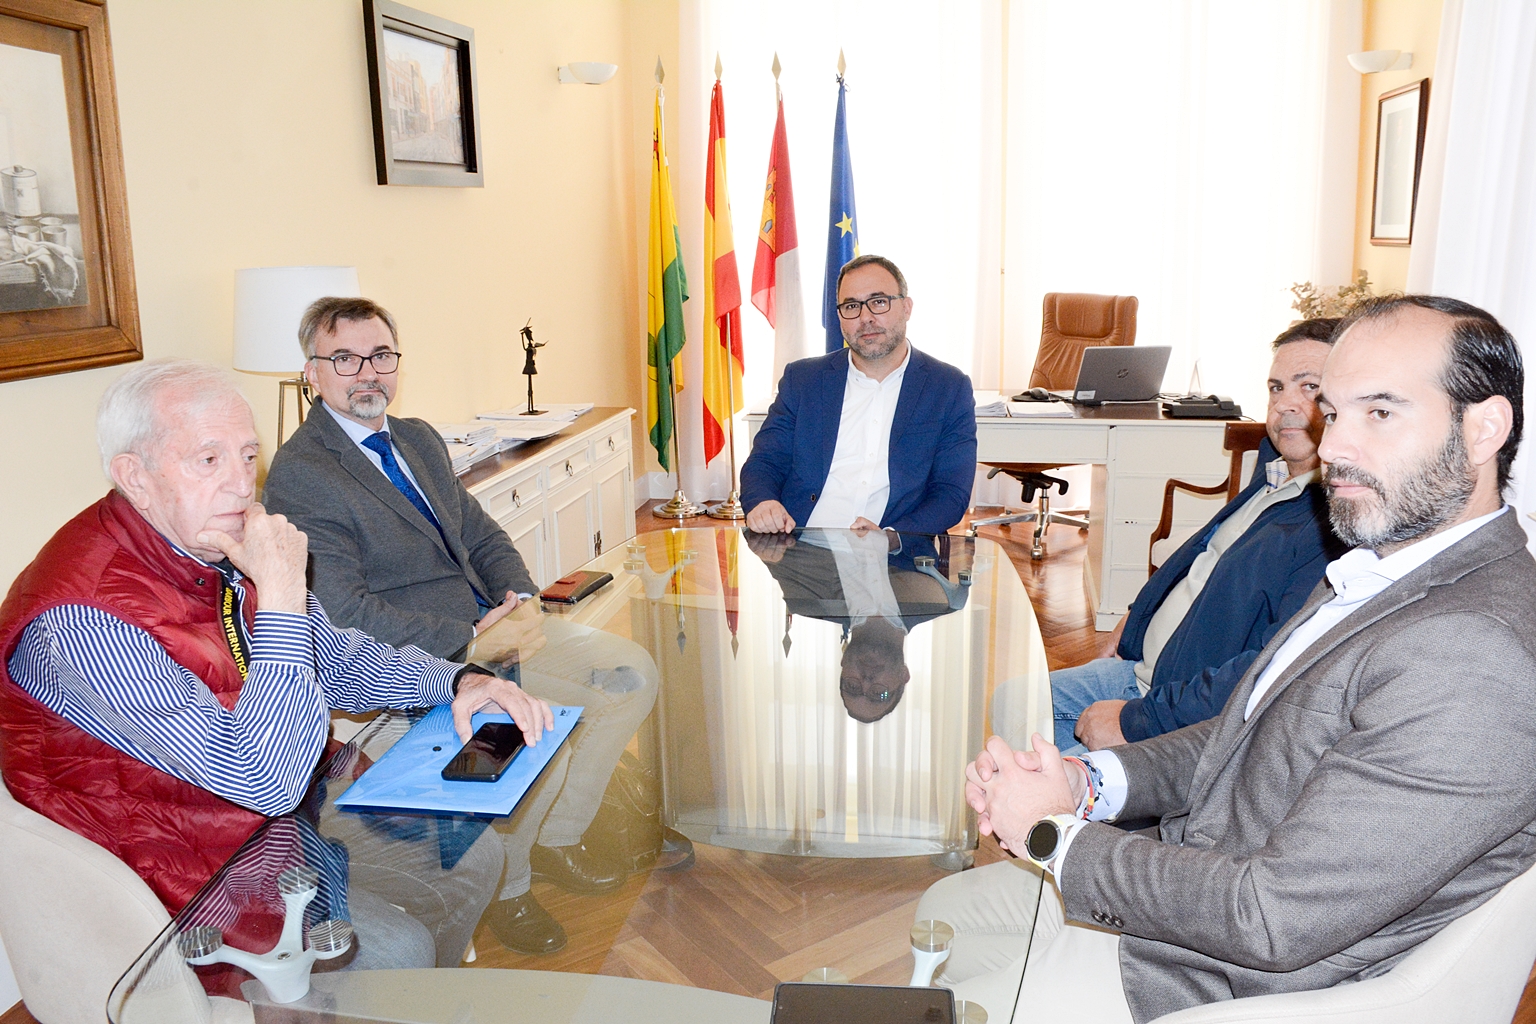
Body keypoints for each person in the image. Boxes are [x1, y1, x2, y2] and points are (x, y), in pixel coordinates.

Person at [923, 295, 1536, 1023]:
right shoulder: (1380, 566)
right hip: (1181, 903)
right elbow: (1244, 732)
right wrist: (1092, 783)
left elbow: (1272, 918)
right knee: (944, 914)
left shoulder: (1475, 655)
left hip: (1211, 983)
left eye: (1380, 412)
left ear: (1482, 428)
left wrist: (1054, 832)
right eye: (1333, 413)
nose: (1333, 444)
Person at [0, 360, 547, 970]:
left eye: (247, 454)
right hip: (177, 873)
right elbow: (266, 780)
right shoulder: (83, 618)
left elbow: (333, 657)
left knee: (473, 858)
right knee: (396, 948)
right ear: (136, 477)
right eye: (209, 460)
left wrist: (455, 680)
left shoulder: (204, 540)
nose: (242, 485)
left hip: (268, 822)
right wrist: (282, 593)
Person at [262, 296, 664, 955]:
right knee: (541, 741)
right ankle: (510, 886)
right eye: (346, 358)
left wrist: (520, 597)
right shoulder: (303, 474)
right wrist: (469, 638)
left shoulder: (416, 436)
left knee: (629, 676)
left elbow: (481, 533)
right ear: (312, 373)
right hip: (435, 657)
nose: (369, 372)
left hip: (496, 628)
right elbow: (347, 611)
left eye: (382, 355)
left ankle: (559, 839)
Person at [1044, 319, 1346, 752]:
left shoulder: (1331, 523)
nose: (1285, 405)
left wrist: (1136, 721)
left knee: (1037, 781)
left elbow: (1269, 669)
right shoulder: (1275, 475)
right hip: (1143, 672)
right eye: (1276, 388)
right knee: (1007, 705)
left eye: (1308, 387)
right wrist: (1135, 618)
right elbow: (1200, 558)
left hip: (1173, 717)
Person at [740, 255, 977, 536]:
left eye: (879, 302)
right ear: (839, 316)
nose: (866, 318)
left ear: (907, 307)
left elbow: (951, 492)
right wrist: (763, 501)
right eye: (851, 306)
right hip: (801, 547)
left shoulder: (948, 388)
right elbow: (765, 461)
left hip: (897, 553)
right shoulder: (803, 380)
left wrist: (890, 536)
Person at [747, 527, 968, 721]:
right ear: (904, 675)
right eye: (878, 693)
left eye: (852, 687)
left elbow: (763, 541)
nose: (866, 680)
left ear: (842, 663)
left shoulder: (807, 601)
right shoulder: (935, 601)